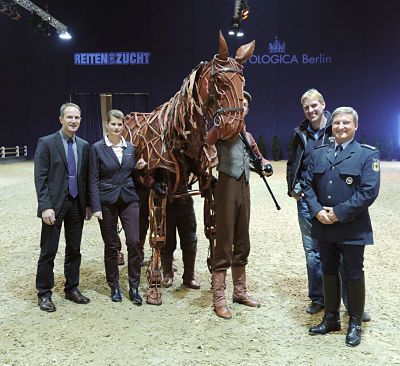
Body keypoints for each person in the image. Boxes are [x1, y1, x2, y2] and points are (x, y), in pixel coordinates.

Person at [287, 89, 370, 321]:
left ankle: (350, 303)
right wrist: (292, 189)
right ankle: (318, 299)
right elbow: (293, 162)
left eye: (315, 105)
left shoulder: (336, 127)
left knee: (342, 254)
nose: (311, 110)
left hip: (335, 204)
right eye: (306, 107)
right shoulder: (300, 132)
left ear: (323, 105)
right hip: (308, 201)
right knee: (313, 253)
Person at [302, 107, 380, 347]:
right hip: (323, 225)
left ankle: (355, 322)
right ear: (331, 126)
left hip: (352, 227)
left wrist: (338, 213)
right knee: (328, 269)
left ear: (356, 126)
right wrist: (316, 210)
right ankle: (331, 318)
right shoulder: (319, 152)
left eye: (346, 123)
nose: (340, 127)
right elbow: (306, 184)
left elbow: (369, 191)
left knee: (354, 273)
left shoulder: (367, 155)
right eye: (336, 123)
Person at [206, 91, 273, 319]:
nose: (241, 108)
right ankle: (219, 297)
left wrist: (265, 165)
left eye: (244, 105)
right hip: (226, 187)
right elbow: (207, 144)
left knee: (242, 240)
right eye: (238, 104)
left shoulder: (248, 135)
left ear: (247, 109)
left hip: (244, 188)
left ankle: (239, 292)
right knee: (224, 240)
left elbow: (258, 156)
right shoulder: (223, 131)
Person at [34, 102, 91, 312]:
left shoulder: (84, 145)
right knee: (49, 251)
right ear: (61, 119)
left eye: (77, 118)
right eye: (69, 117)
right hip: (54, 206)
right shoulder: (47, 142)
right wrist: (45, 206)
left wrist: (87, 205)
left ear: (80, 120)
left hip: (77, 203)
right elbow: (40, 178)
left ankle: (72, 288)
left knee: (74, 250)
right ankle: (44, 293)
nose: (73, 121)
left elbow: (85, 179)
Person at [89, 109, 142, 304]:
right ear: (107, 125)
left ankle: (134, 287)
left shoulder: (131, 147)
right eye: (113, 124)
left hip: (129, 199)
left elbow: (134, 175)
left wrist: (141, 166)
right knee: (111, 246)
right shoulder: (97, 148)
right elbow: (92, 178)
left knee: (134, 242)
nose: (116, 127)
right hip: (106, 201)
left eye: (120, 124)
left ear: (124, 126)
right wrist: (95, 206)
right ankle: (115, 286)